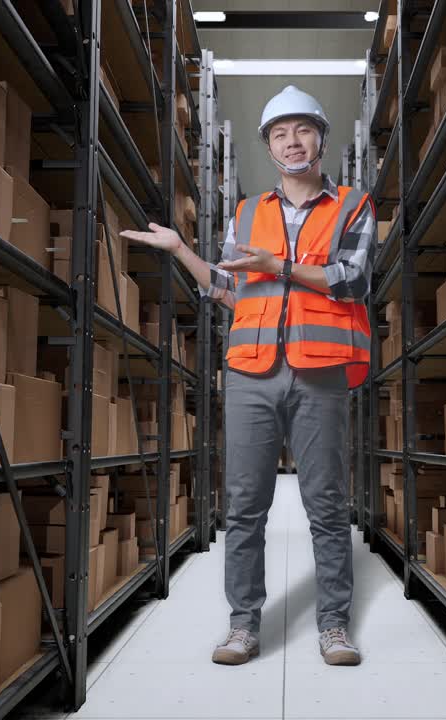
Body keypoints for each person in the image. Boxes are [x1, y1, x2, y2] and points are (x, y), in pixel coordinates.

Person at [121, 86, 375, 667]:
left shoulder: (353, 206)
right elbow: (231, 292)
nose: (292, 141)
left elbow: (352, 280)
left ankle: (334, 626)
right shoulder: (246, 212)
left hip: (320, 372)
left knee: (328, 505)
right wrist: (182, 249)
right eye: (280, 133)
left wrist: (278, 266)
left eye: (302, 130)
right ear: (268, 146)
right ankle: (243, 626)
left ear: (321, 139)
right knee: (243, 506)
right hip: (251, 374)